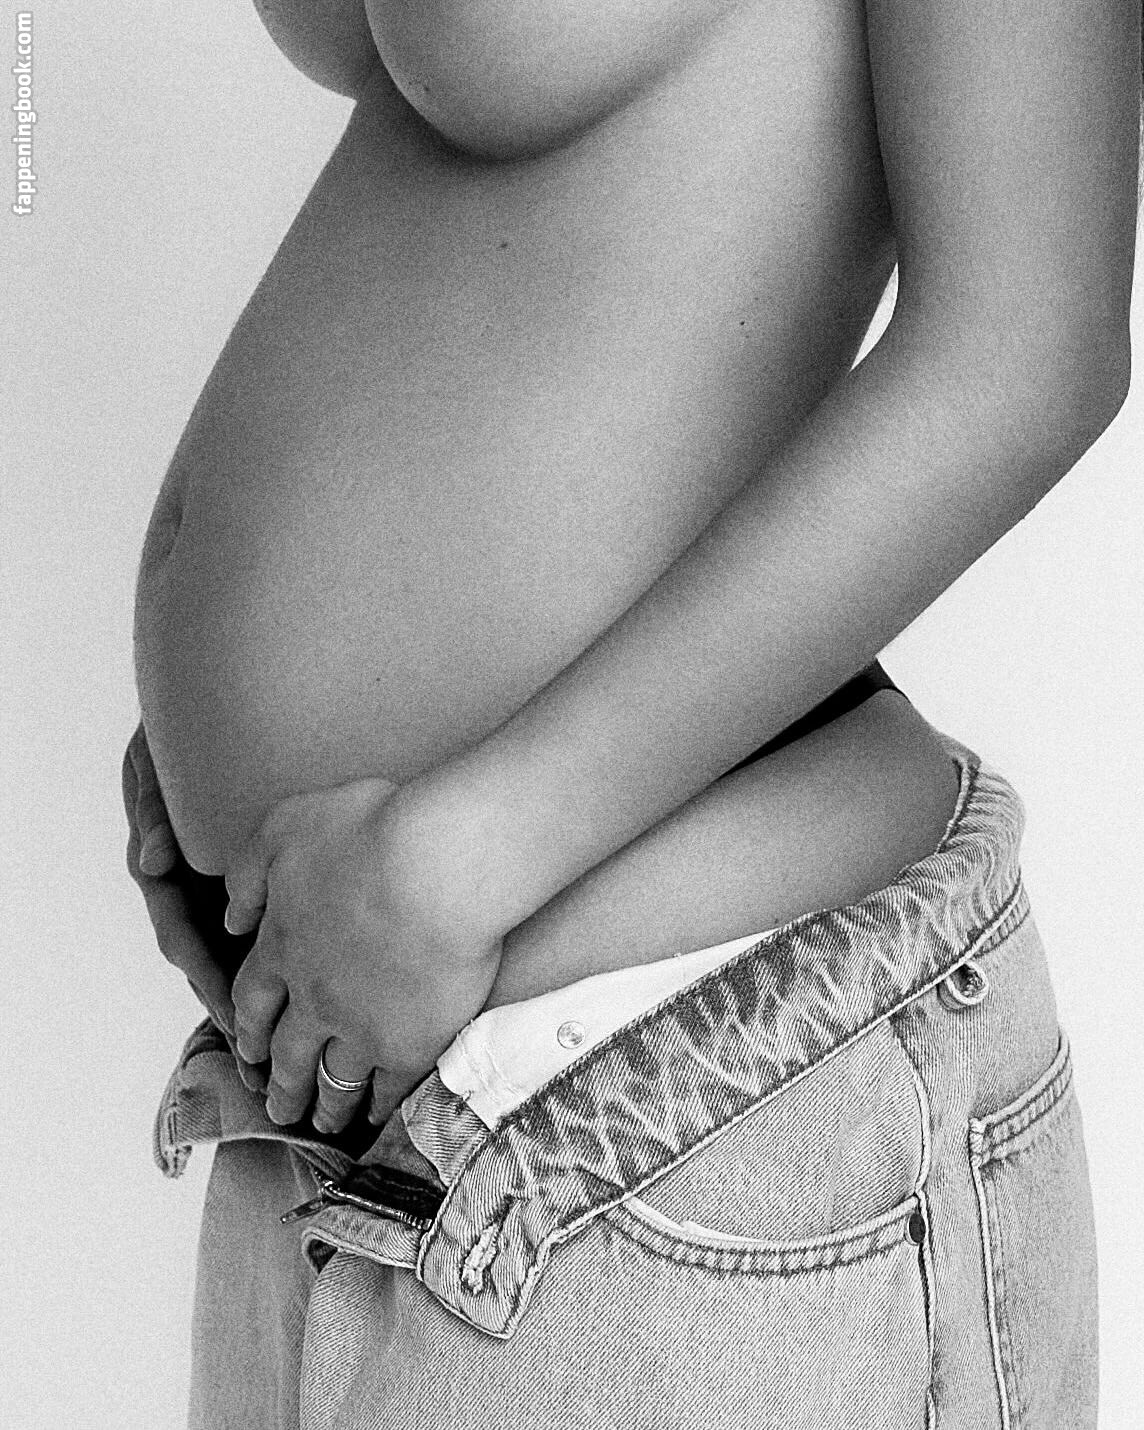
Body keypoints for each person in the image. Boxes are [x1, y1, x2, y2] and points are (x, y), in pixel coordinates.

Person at [122, 1, 1138, 1425]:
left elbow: (1028, 355)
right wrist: (228, 728)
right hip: (340, 1082)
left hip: (690, 1120)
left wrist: (452, 864)